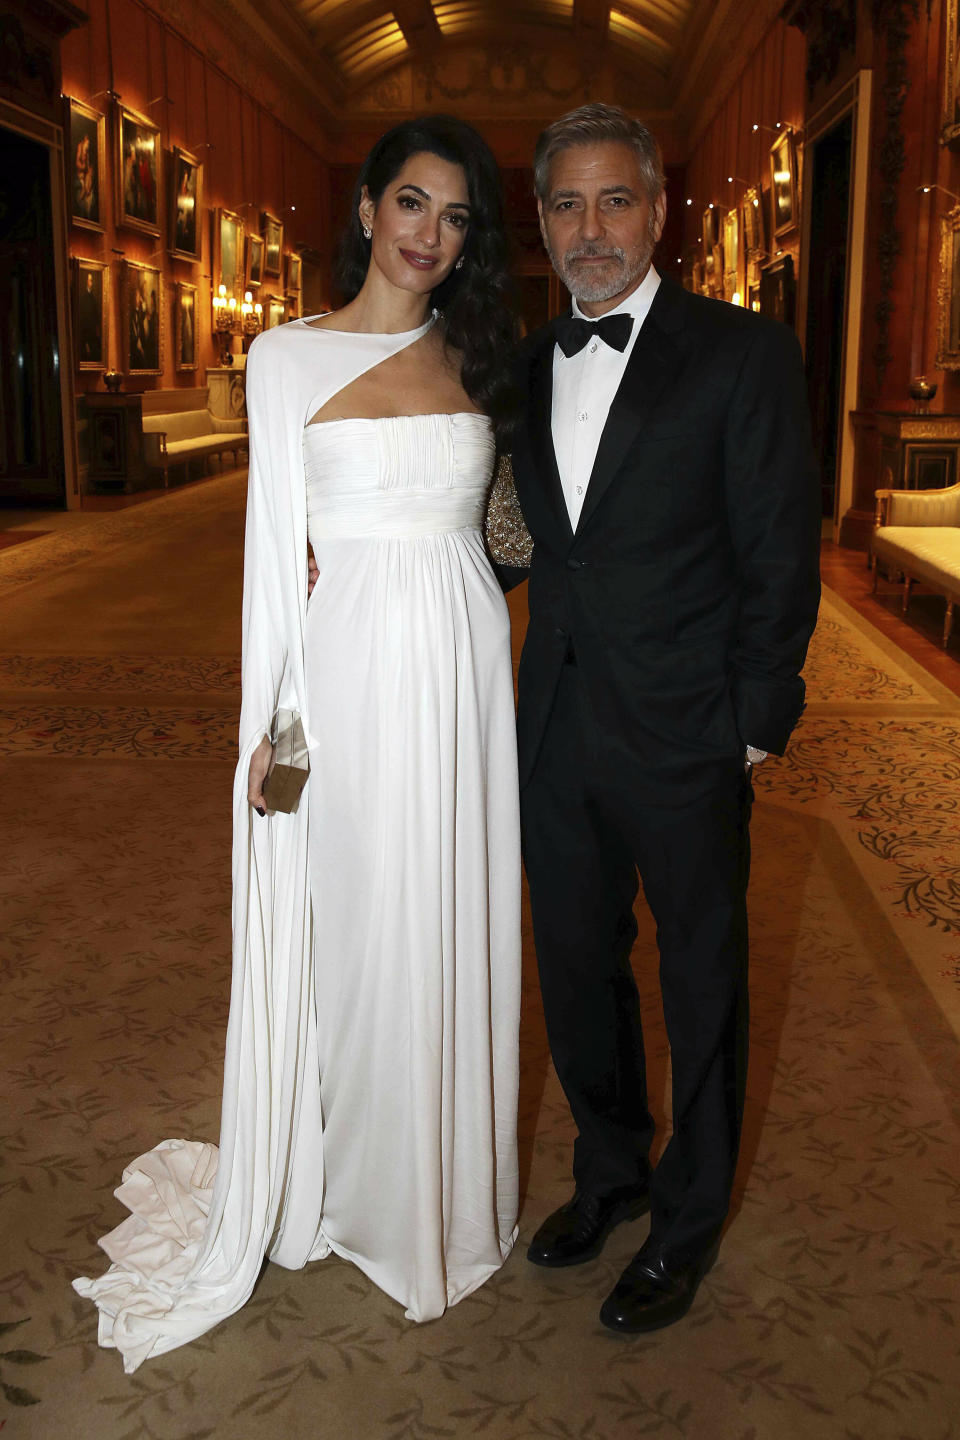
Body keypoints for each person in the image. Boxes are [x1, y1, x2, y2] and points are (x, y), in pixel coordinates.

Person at [74, 114, 522, 1371]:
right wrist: (274, 734)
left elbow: (506, 533)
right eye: (414, 205)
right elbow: (276, 569)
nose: (432, 235)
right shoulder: (284, 360)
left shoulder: (476, 350)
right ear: (371, 207)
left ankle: (444, 1185)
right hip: (352, 673)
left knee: (451, 916)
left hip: (468, 669)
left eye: (457, 218)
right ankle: (359, 1183)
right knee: (365, 925)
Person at [504, 103, 821, 1334]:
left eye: (615, 200)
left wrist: (752, 720)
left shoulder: (742, 354)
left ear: (659, 209)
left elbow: (778, 552)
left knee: (701, 983)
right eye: (567, 206)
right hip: (558, 729)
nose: (592, 229)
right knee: (578, 972)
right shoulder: (524, 366)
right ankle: (613, 1172)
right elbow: (518, 542)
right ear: (540, 222)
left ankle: (688, 1223)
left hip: (691, 730)